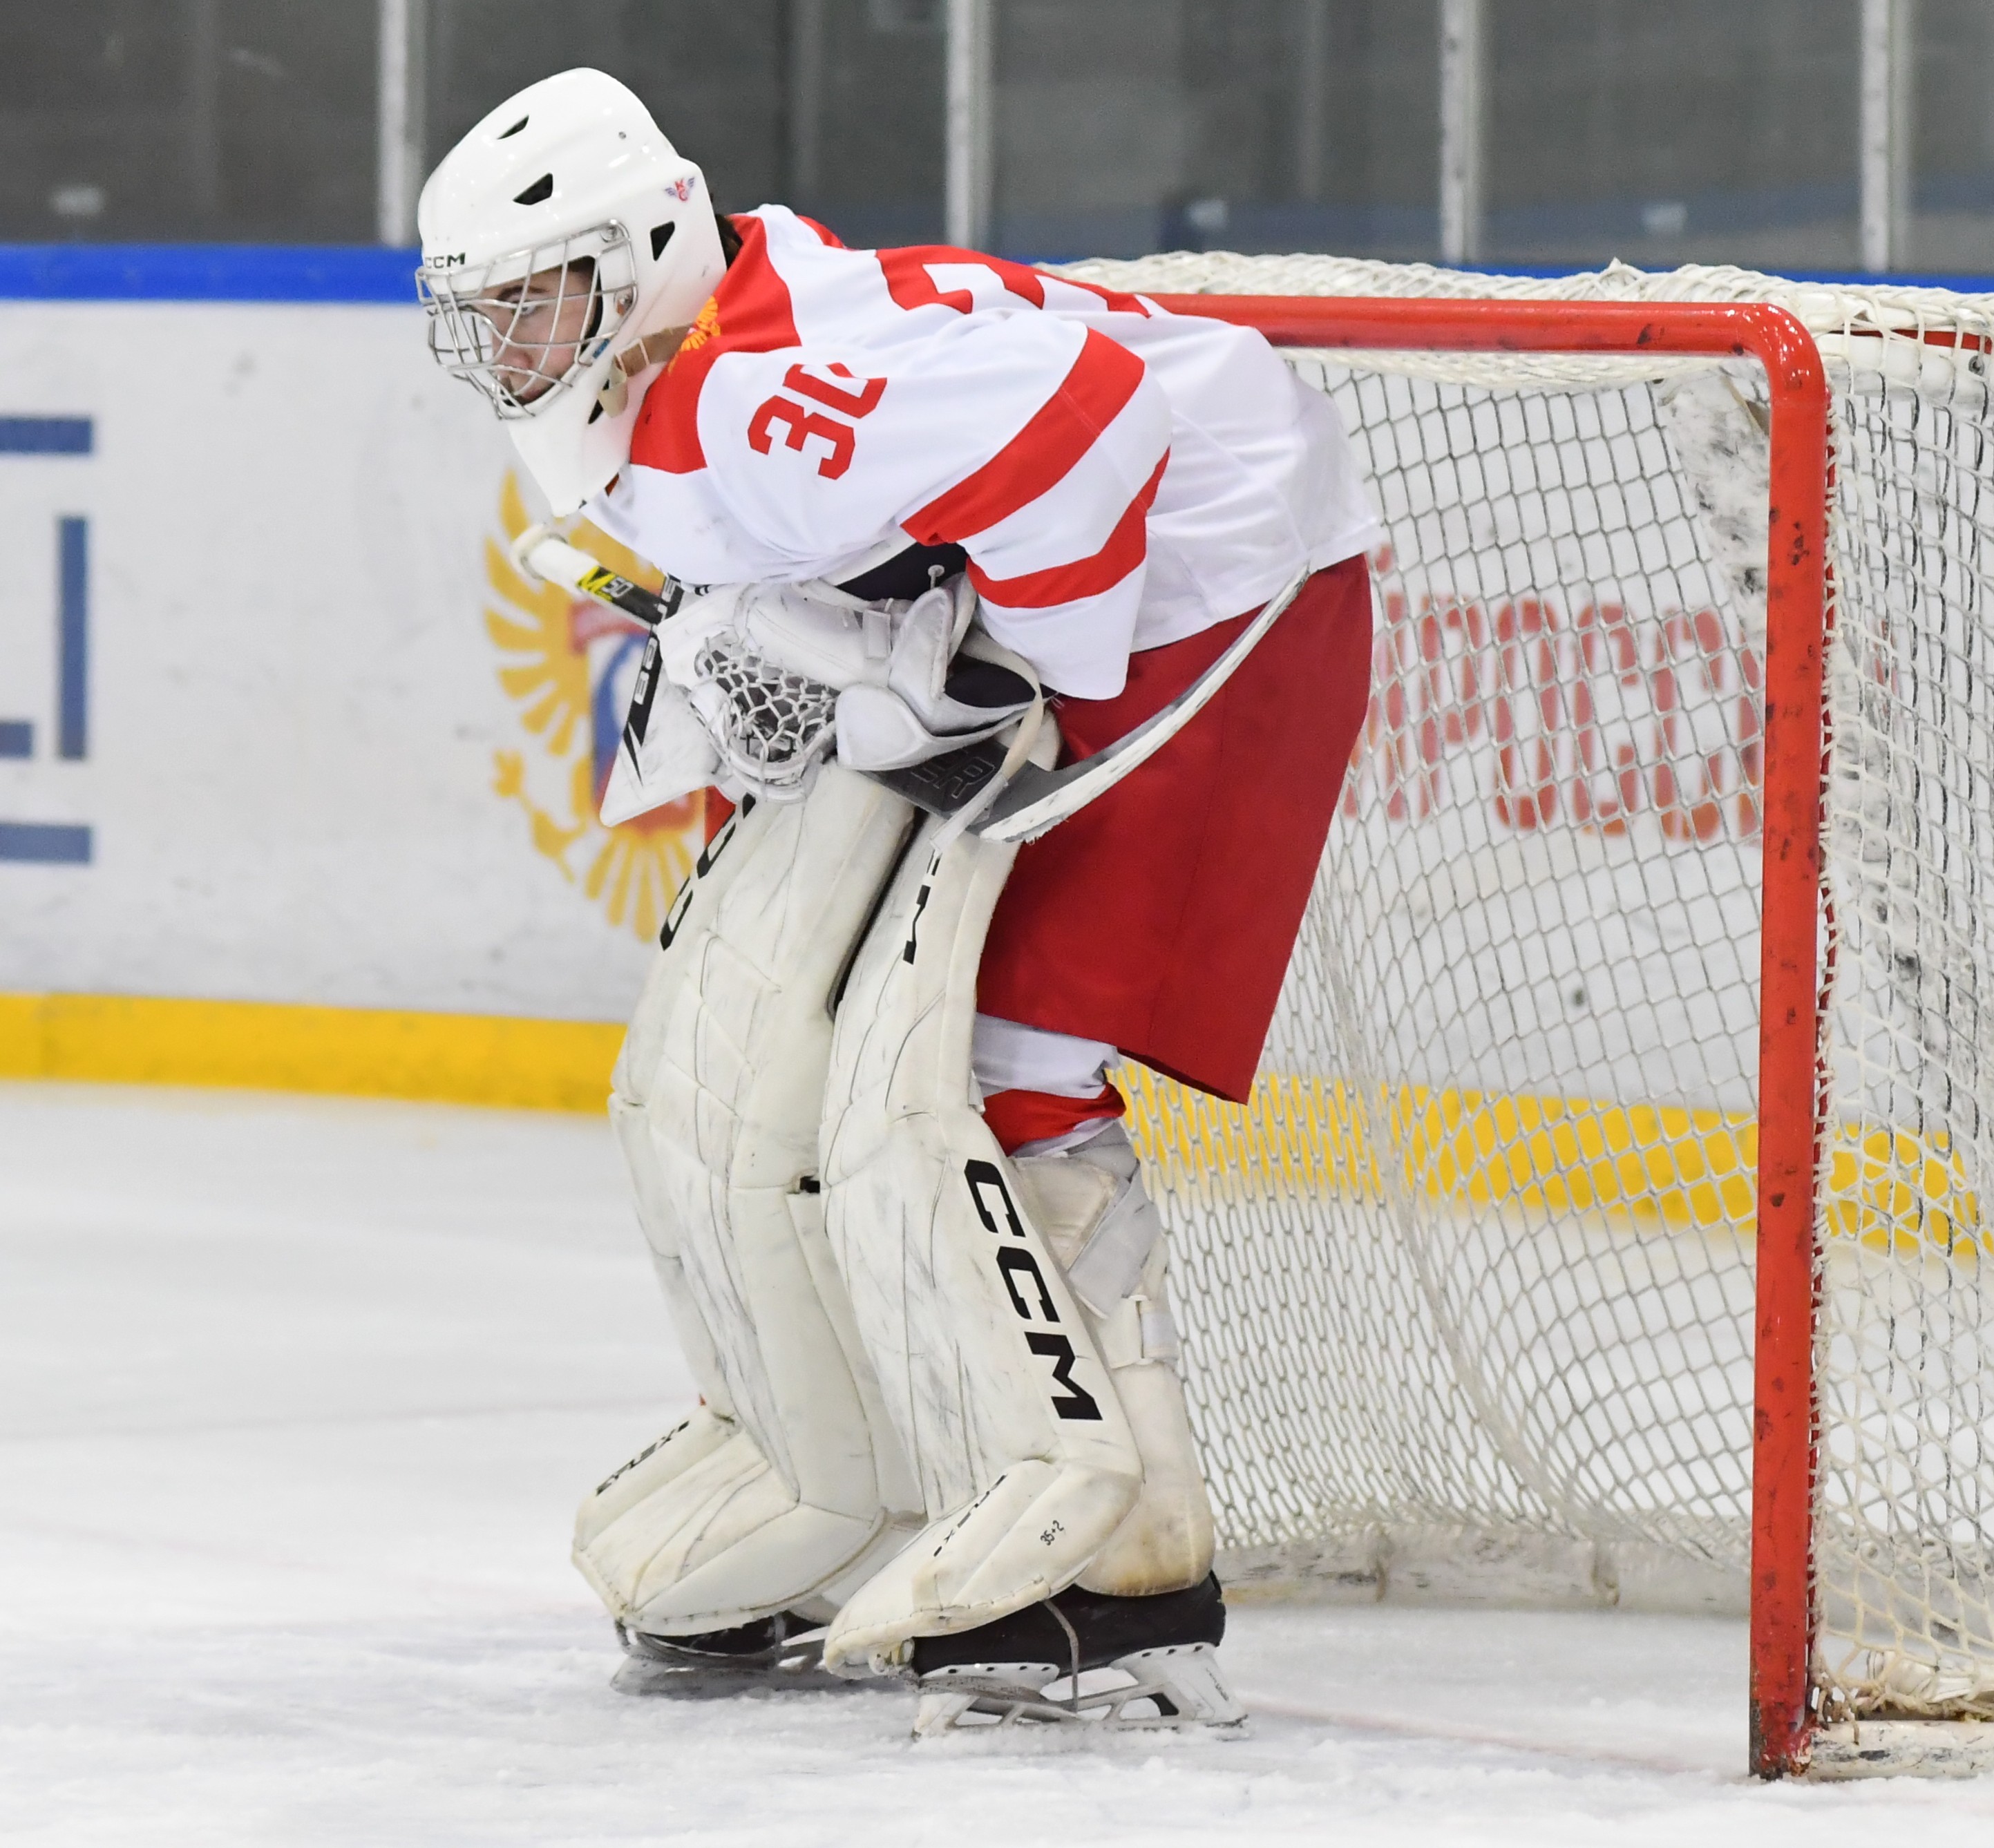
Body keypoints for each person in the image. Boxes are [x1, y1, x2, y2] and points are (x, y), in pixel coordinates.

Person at [414, 68, 1374, 1731]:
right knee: (752, 1057)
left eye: (536, 300)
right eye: (484, 314)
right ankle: (825, 1462)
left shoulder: (737, 393)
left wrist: (1021, 680)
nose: (508, 347)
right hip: (1107, 571)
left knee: (985, 1072)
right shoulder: (691, 359)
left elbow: (1082, 422)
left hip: (1215, 580)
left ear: (642, 249)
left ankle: (1119, 1562)